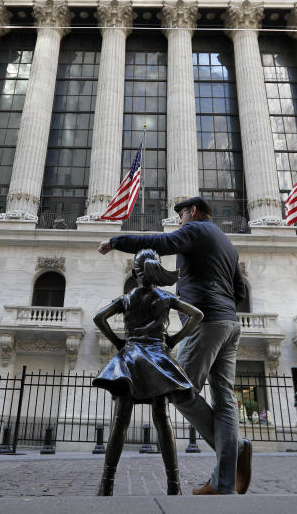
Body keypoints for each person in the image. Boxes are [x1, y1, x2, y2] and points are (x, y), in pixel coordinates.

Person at [98, 197, 252, 495]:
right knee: (225, 397)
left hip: (207, 324)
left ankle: (236, 449)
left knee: (179, 391)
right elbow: (240, 291)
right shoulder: (228, 245)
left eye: (181, 214)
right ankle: (223, 482)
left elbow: (162, 243)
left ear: (192, 212)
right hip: (230, 324)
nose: (180, 220)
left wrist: (116, 241)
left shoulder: (197, 231)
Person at [92, 249, 203, 496]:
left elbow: (99, 318)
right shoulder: (165, 297)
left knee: (120, 421)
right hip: (157, 358)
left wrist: (119, 342)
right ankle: (174, 486)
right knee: (162, 419)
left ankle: (107, 483)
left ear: (135, 273)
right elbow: (197, 315)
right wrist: (174, 339)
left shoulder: (127, 297)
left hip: (130, 359)